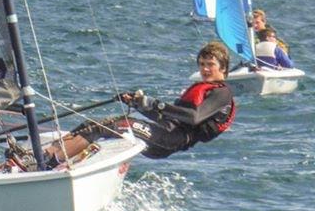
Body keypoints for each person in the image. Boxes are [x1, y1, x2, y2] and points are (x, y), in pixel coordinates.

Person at [43, 41, 236, 166]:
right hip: (163, 133)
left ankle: (51, 162)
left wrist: (154, 103)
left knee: (109, 125)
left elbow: (194, 118)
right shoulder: (201, 88)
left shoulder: (222, 93)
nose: (205, 69)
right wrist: (139, 105)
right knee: (93, 123)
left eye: (210, 64)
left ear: (223, 68)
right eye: (202, 64)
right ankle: (48, 153)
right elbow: (167, 118)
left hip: (171, 140)